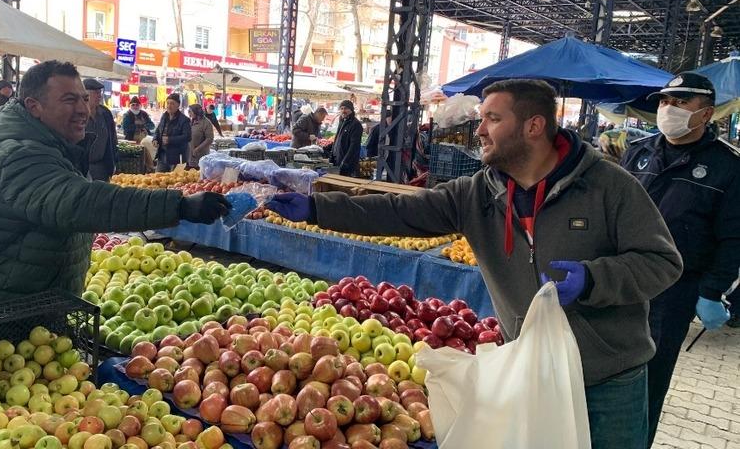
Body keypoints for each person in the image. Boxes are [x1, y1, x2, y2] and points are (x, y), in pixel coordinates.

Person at [267, 79, 683, 449]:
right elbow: (398, 212)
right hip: (529, 372)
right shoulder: (475, 194)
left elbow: (662, 261)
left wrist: (596, 279)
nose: (479, 129)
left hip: (607, 378)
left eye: (492, 119)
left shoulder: (610, 187)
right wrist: (319, 207)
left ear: (533, 126)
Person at [0, 60, 231, 308]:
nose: (84, 109)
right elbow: (79, 202)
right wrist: (177, 205)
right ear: (34, 107)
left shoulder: (51, 147)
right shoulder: (19, 154)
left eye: (84, 98)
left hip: (30, 305)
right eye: (70, 100)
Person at [619, 72, 740, 447]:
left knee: (647, 383)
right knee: (604, 375)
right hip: (618, 281)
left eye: (681, 102)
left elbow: (733, 237)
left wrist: (712, 290)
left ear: (706, 113)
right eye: (664, 101)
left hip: (672, 293)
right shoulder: (638, 153)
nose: (668, 109)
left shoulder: (729, 167)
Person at [82, 78, 118, 181]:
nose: (99, 95)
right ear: (86, 94)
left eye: (100, 92)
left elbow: (113, 138)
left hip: (103, 167)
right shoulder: (78, 113)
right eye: (96, 93)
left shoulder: (105, 113)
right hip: (83, 167)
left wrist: (114, 159)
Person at [154, 93, 191, 172]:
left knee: (174, 181)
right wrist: (155, 139)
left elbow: (187, 136)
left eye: (172, 103)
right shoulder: (164, 116)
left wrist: (170, 140)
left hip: (176, 157)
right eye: (168, 103)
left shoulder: (184, 120)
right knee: (158, 180)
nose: (169, 106)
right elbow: (158, 130)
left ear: (178, 105)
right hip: (162, 155)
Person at [330, 100, 363, 176]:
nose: (343, 111)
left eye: (345, 108)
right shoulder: (342, 121)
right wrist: (332, 154)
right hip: (337, 160)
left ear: (351, 110)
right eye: (341, 108)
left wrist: (345, 161)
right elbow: (337, 138)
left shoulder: (356, 124)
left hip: (348, 165)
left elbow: (354, 146)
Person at [187, 104, 214, 169]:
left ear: (196, 112)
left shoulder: (206, 123)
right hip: (189, 155)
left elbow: (209, 139)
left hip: (200, 156)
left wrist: (197, 149)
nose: (189, 113)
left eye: (190, 111)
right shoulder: (191, 122)